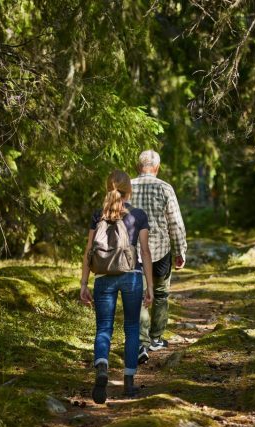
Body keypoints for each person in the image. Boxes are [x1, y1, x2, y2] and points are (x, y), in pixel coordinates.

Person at [80, 170, 153, 404]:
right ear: (128, 189)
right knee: (132, 327)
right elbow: (145, 251)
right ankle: (129, 383)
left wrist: (83, 283)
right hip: (131, 276)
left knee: (103, 328)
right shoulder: (138, 215)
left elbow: (88, 251)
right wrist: (150, 286)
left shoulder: (97, 215)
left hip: (103, 277)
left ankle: (102, 366)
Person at [131, 150, 187, 361]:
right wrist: (180, 251)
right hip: (161, 250)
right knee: (161, 293)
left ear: (139, 166)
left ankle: (141, 342)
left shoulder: (128, 186)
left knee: (140, 295)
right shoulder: (165, 188)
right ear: (157, 168)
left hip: (134, 251)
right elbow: (175, 223)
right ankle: (155, 338)